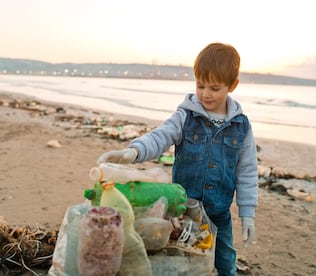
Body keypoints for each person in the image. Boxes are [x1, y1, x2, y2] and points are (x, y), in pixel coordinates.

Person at [96, 42, 258, 276]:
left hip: (220, 212)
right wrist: (133, 152)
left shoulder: (241, 126)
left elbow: (248, 171)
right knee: (183, 259)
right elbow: (160, 137)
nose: (205, 93)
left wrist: (248, 214)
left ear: (232, 85)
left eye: (214, 88)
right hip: (182, 209)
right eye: (200, 85)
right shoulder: (185, 116)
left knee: (225, 261)